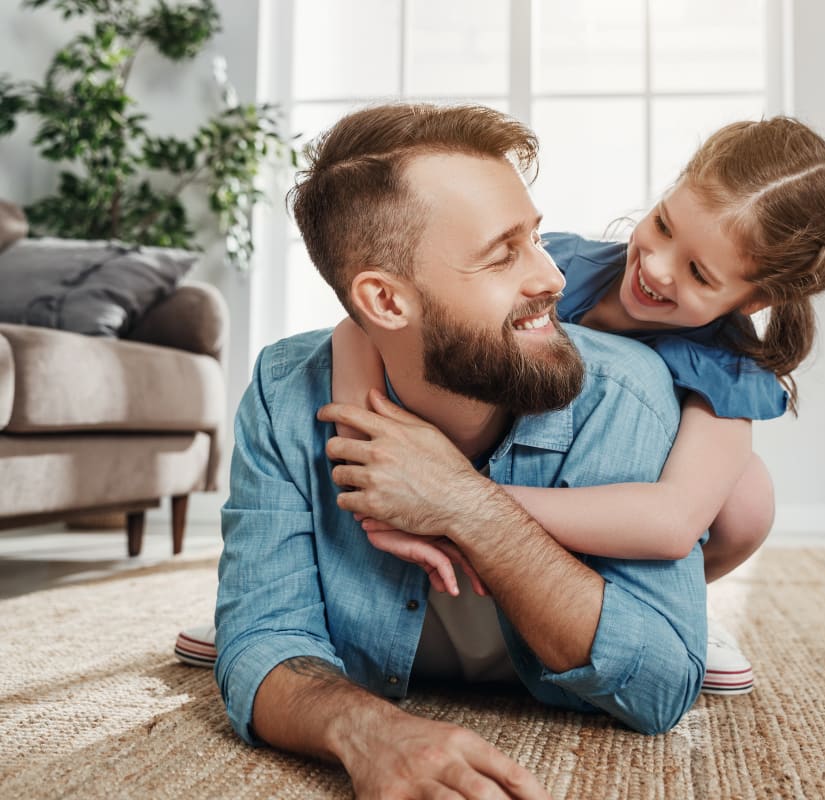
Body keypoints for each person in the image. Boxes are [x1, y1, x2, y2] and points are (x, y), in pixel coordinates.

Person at [212, 102, 709, 799]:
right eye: (504, 254)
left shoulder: (627, 390)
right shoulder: (284, 392)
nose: (553, 279)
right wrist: (365, 731)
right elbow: (263, 644)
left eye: (535, 238)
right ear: (384, 302)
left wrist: (464, 504)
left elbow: (661, 687)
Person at [328, 116, 825, 694]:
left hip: (592, 514)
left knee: (748, 497)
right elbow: (362, 327)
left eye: (699, 273)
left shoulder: (728, 370)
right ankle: (308, 596)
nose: (656, 266)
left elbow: (673, 521)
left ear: (753, 298)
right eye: (663, 225)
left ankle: (667, 615)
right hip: (494, 456)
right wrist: (367, 471)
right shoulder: (555, 266)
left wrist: (458, 500)